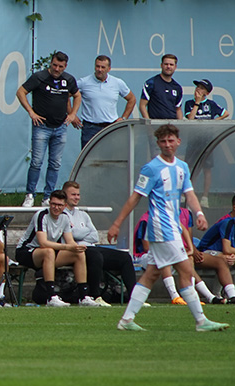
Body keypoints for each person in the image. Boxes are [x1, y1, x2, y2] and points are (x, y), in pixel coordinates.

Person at [108, 124, 229, 331]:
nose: (167, 144)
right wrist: (117, 223)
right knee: (185, 268)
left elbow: (189, 194)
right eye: (163, 141)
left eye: (171, 140)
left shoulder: (182, 167)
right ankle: (201, 320)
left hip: (172, 226)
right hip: (160, 227)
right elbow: (135, 198)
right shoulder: (151, 168)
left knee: (152, 273)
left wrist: (199, 213)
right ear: (158, 144)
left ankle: (127, 320)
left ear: (178, 142)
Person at [17, 51, 81, 207]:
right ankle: (30, 194)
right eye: (54, 65)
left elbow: (77, 95)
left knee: (55, 163)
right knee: (37, 162)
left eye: (60, 66)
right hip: (42, 126)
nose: (57, 69)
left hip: (60, 127)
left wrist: (72, 114)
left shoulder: (69, 79)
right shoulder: (39, 77)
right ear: (50, 64)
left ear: (65, 66)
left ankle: (48, 196)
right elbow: (21, 92)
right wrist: (31, 112)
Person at [16, 190, 98, 307]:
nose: (56, 207)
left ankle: (83, 296)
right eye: (53, 204)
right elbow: (43, 242)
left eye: (59, 205)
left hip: (49, 253)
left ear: (64, 206)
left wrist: (77, 247)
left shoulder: (64, 218)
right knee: (48, 251)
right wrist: (66, 247)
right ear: (49, 203)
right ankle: (51, 297)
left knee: (78, 254)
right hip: (27, 251)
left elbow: (70, 241)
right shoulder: (41, 215)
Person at [62, 181, 136, 306]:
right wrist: (85, 231)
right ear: (65, 195)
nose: (76, 197)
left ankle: (134, 298)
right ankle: (95, 296)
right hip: (75, 250)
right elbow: (73, 235)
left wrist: (79, 232)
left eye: (78, 195)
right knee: (96, 257)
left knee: (125, 257)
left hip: (91, 247)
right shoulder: (62, 215)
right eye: (73, 194)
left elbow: (94, 235)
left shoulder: (83, 214)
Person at [134, 209, 225, 305]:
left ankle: (205, 297)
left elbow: (184, 230)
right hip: (146, 256)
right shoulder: (147, 219)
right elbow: (147, 247)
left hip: (168, 254)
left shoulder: (170, 217)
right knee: (164, 257)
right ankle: (175, 296)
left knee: (188, 259)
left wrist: (190, 249)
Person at [72, 55, 136, 149]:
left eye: (103, 67)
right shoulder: (84, 82)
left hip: (111, 127)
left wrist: (123, 118)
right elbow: (66, 95)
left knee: (111, 158)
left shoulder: (117, 83)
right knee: (89, 161)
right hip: (90, 128)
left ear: (109, 69)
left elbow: (132, 99)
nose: (100, 70)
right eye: (97, 66)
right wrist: (72, 114)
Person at [184, 79, 229, 208]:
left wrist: (214, 122)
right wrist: (197, 103)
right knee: (190, 167)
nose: (198, 89)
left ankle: (204, 197)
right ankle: (188, 193)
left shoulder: (211, 104)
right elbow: (191, 118)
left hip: (207, 141)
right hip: (193, 141)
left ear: (207, 93)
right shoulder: (189, 103)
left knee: (206, 169)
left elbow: (226, 113)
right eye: (197, 87)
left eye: (201, 88)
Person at [196, 217, 235, 304]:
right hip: (205, 252)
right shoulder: (228, 223)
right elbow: (227, 249)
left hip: (225, 255)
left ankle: (222, 296)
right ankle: (223, 295)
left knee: (226, 259)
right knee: (224, 260)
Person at [139, 54, 183, 120]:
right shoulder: (151, 83)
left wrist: (180, 126)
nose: (168, 67)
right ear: (161, 65)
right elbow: (142, 105)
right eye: (166, 64)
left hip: (172, 126)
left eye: (171, 65)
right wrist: (149, 125)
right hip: (156, 125)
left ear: (175, 67)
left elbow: (178, 109)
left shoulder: (177, 87)